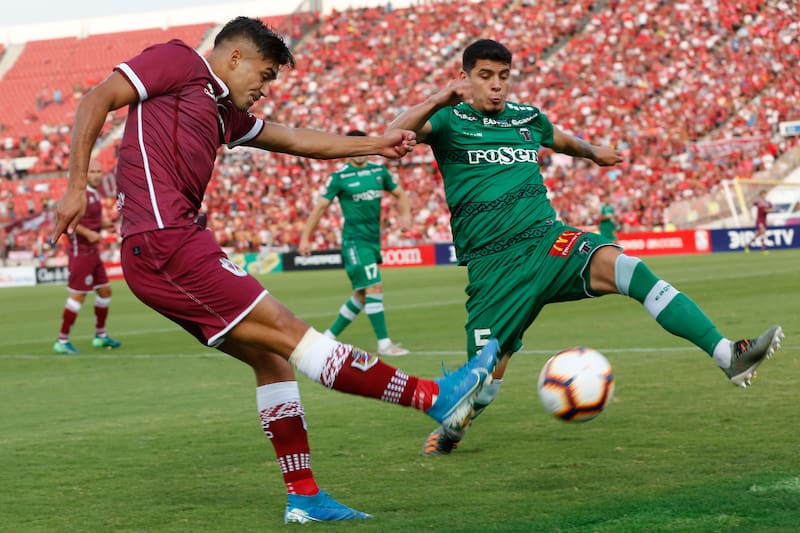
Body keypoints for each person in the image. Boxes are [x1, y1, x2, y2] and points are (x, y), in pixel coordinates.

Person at [51, 17, 497, 523]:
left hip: (170, 246)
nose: (263, 89)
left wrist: (375, 144)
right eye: (263, 76)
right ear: (235, 58)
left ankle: (304, 497)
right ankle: (432, 397)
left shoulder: (225, 114)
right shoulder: (179, 61)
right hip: (164, 243)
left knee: (273, 361)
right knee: (290, 333)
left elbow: (297, 140)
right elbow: (96, 98)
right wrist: (72, 187)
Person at [388, 39, 784, 456]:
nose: (497, 86)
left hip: (546, 241)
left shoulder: (526, 118)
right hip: (494, 267)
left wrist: (595, 154)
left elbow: (562, 141)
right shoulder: (449, 121)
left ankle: (729, 356)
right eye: (485, 77)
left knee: (627, 267)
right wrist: (439, 97)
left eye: (503, 76)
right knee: (482, 383)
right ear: (465, 77)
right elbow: (396, 131)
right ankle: (453, 429)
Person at [299, 130, 412, 356]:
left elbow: (400, 194)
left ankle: (327, 339)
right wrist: (305, 237)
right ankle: (384, 344)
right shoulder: (340, 177)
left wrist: (405, 215)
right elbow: (321, 207)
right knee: (374, 287)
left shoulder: (379, 172)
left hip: (372, 241)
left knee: (361, 296)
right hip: (354, 242)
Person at [54, 158, 121, 354]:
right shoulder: (79, 195)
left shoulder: (94, 194)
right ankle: (62, 340)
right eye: (92, 172)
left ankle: (100, 336)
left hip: (93, 253)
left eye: (98, 172)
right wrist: (89, 233)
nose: (96, 175)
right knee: (78, 295)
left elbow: (91, 221)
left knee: (105, 291)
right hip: (81, 253)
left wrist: (102, 226)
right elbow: (67, 222)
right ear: (84, 174)